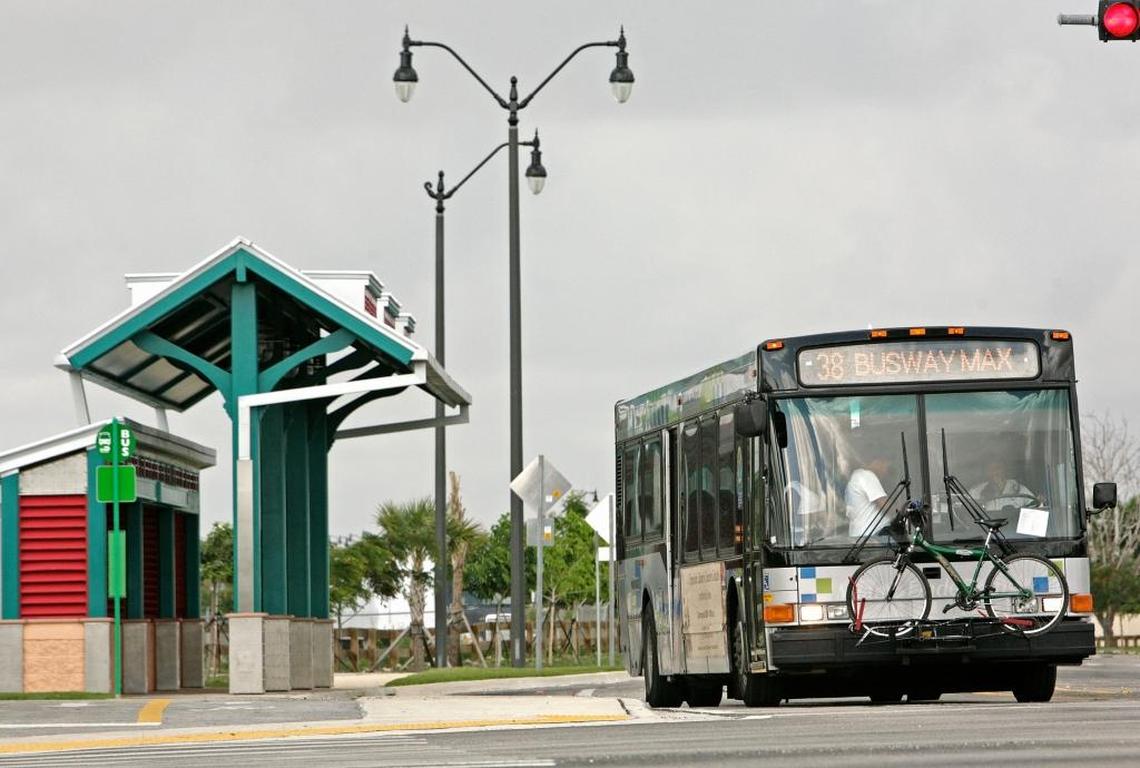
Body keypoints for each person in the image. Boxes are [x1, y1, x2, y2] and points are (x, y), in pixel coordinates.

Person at [845, 454, 891, 539]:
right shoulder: (866, 476)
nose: (885, 471)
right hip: (875, 534)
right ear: (877, 462)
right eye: (885, 465)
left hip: (859, 536)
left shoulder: (854, 478)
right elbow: (886, 506)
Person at [969, 459, 1037, 513]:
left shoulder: (1020, 490)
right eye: (991, 469)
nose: (995, 472)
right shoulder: (977, 491)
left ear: (1005, 470)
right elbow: (966, 509)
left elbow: (1036, 508)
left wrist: (1039, 501)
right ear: (987, 472)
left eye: (998, 468)